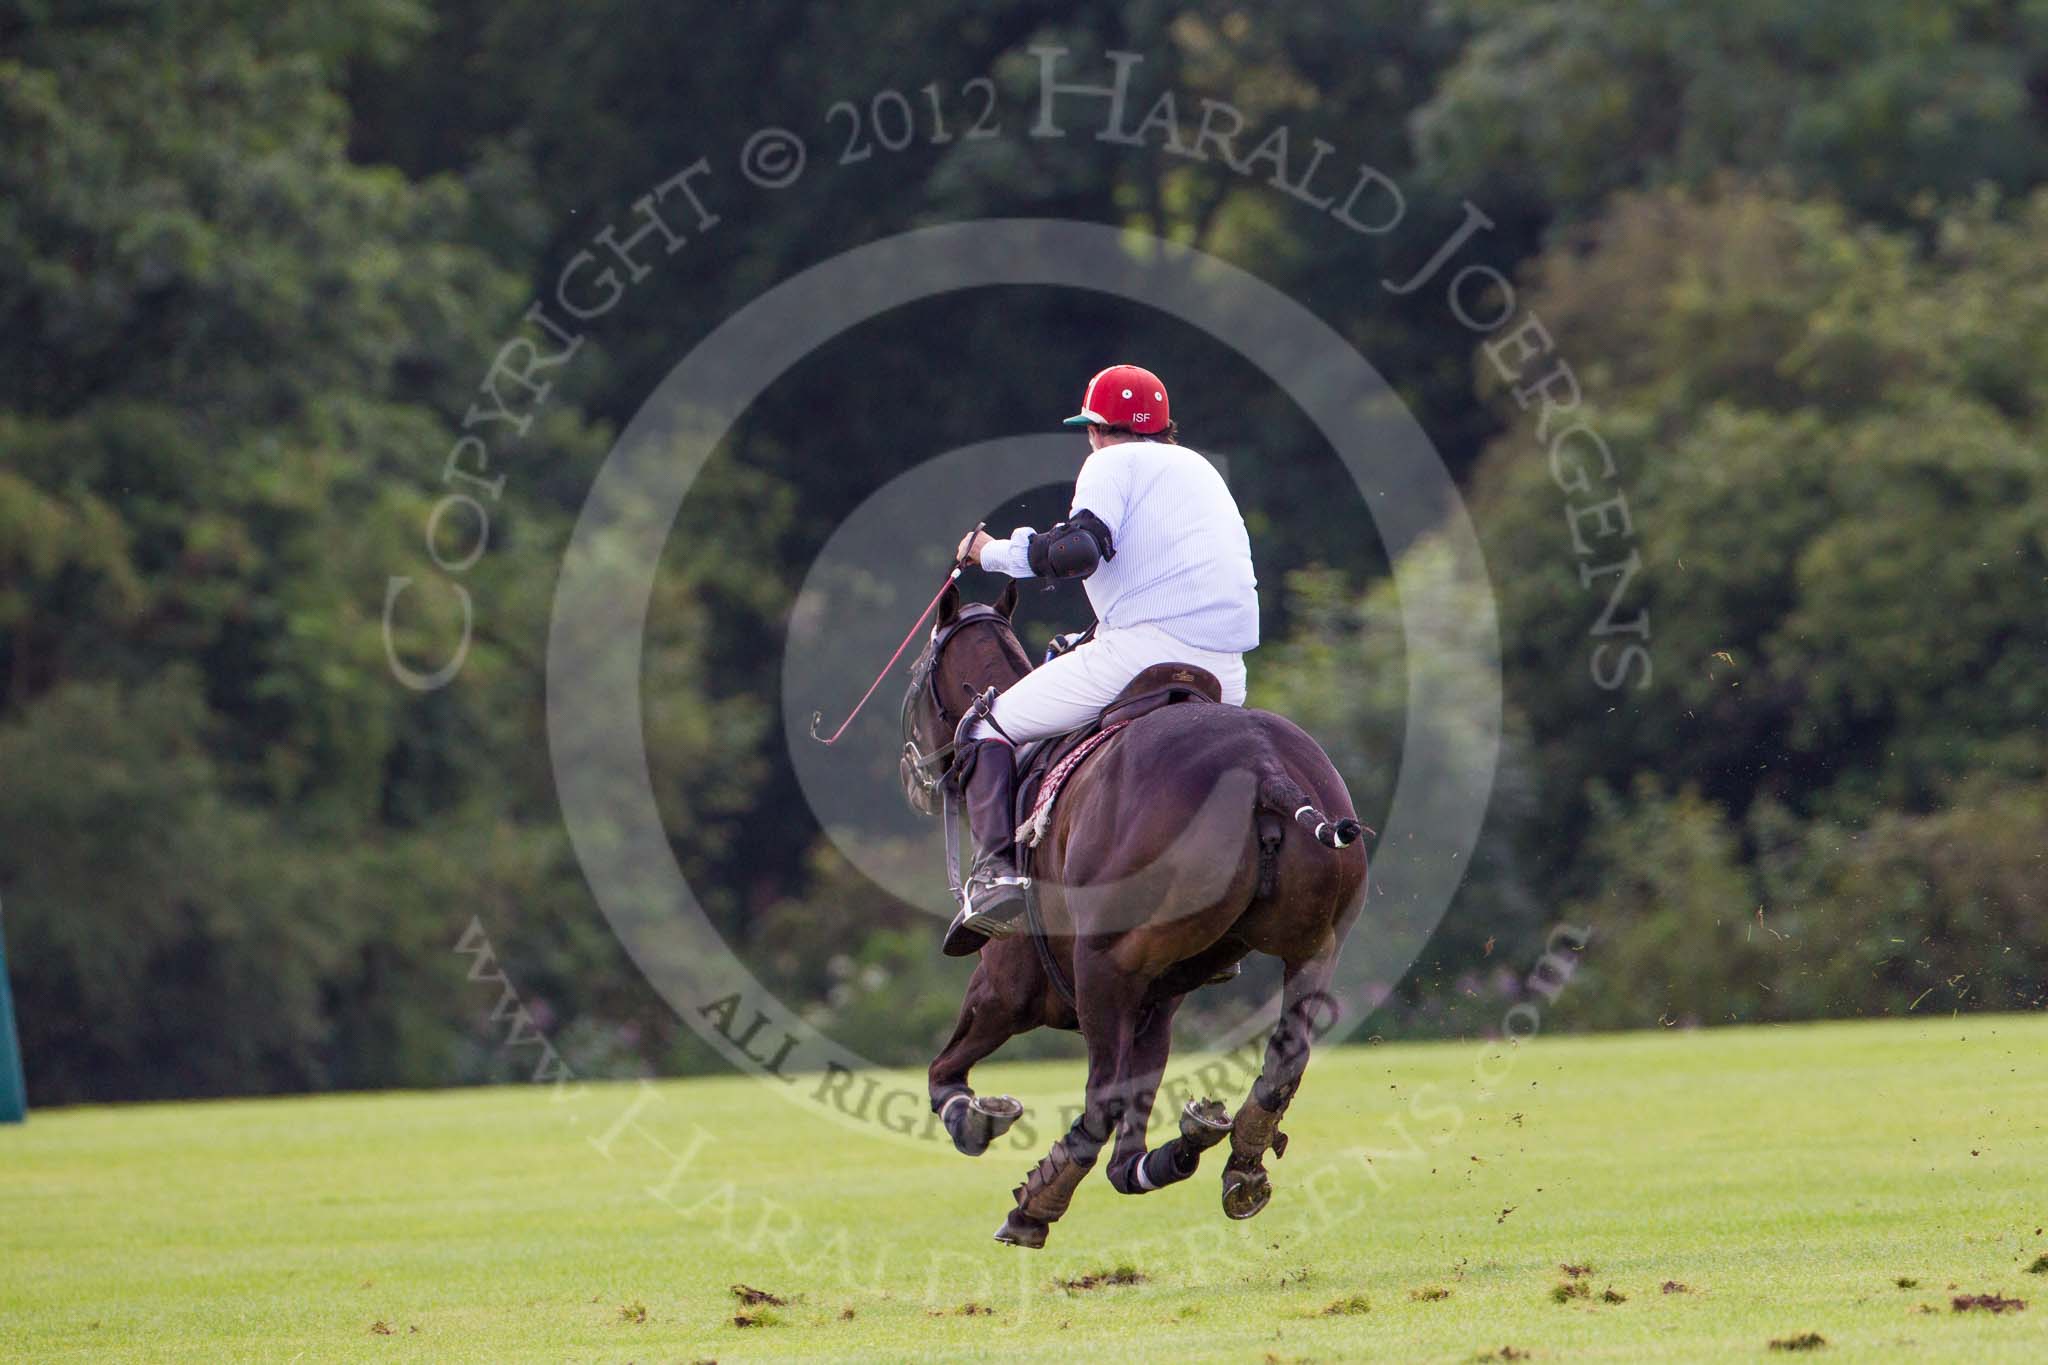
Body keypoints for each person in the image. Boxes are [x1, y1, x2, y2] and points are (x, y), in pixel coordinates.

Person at [942, 363, 1261, 956]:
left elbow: (1077, 550)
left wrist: (989, 554)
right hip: (1228, 671)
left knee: (983, 725)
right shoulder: (1199, 469)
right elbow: (1158, 572)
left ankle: (997, 879)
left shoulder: (1109, 462)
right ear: (1163, 426)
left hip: (1142, 654)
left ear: (1097, 427)